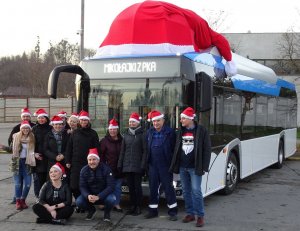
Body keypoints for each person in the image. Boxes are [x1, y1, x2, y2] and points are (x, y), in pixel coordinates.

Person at [169, 107, 211, 227]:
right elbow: (176, 148)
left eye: (183, 118)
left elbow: (207, 149)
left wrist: (204, 166)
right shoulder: (180, 132)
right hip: (183, 167)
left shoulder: (202, 130)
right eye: (181, 118)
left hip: (195, 167)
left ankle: (200, 216)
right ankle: (190, 214)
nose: (181, 120)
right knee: (186, 191)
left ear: (190, 119)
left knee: (196, 191)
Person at [144, 110, 178, 221]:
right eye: (154, 121)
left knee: (168, 188)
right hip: (153, 165)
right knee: (153, 188)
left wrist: (172, 164)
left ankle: (173, 212)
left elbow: (174, 149)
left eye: (158, 121)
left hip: (165, 165)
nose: (156, 123)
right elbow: (146, 149)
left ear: (163, 120)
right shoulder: (149, 132)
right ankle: (152, 211)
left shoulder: (170, 132)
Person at [65, 110, 101, 202]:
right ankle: (78, 201)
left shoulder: (93, 133)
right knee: (74, 185)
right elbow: (69, 148)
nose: (84, 122)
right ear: (79, 121)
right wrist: (67, 161)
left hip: (89, 163)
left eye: (85, 120)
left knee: (87, 185)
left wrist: (97, 161)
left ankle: (85, 203)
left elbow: (97, 149)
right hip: (75, 163)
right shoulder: (75, 133)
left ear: (88, 121)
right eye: (82, 120)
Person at [118, 112, 147, 216]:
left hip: (137, 166)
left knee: (137, 187)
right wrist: (120, 164)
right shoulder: (126, 135)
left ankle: (138, 206)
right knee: (130, 187)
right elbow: (122, 151)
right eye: (130, 122)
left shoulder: (142, 134)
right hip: (127, 165)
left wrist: (143, 165)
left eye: (133, 122)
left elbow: (145, 151)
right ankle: (132, 206)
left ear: (137, 123)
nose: (132, 123)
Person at [76, 148, 115, 222]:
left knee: (111, 199)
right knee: (79, 202)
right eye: (90, 160)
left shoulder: (106, 169)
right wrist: (88, 195)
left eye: (94, 159)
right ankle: (91, 210)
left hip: (103, 195)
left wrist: (99, 196)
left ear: (98, 160)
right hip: (90, 196)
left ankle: (107, 213)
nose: (92, 162)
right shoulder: (83, 170)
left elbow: (111, 186)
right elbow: (82, 186)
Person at [7, 107, 35, 204]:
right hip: (17, 162)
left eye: (28, 116)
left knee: (27, 184)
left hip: (28, 162)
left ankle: (21, 199)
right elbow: (11, 143)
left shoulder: (33, 134)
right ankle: (18, 200)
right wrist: (6, 147)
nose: (26, 118)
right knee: (18, 183)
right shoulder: (16, 132)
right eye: (24, 116)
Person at [100, 118, 123, 212]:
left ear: (117, 130)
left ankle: (116, 203)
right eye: (111, 129)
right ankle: (103, 202)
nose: (112, 131)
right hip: (108, 168)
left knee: (117, 187)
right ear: (108, 130)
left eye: (114, 129)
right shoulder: (104, 141)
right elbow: (100, 155)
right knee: (106, 187)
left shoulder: (122, 140)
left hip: (119, 169)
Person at [32, 108, 52, 199]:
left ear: (46, 118)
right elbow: (30, 144)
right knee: (38, 180)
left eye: (43, 118)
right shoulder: (34, 129)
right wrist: (34, 153)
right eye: (39, 118)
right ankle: (38, 197)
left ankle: (48, 197)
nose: (41, 120)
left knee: (48, 178)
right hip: (38, 158)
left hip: (49, 157)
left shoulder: (51, 128)